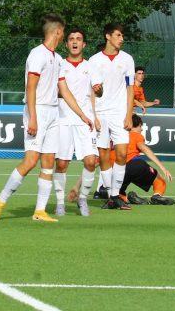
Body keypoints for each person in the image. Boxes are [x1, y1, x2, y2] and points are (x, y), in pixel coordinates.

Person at [0, 14, 93, 223]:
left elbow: (64, 89)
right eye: (64, 32)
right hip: (37, 111)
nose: (65, 36)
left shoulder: (57, 59)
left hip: (53, 112)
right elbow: (31, 87)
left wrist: (82, 114)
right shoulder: (37, 54)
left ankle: (40, 210)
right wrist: (33, 118)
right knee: (30, 162)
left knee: (48, 164)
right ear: (57, 32)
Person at [53, 28, 102, 217]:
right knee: (62, 164)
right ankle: (59, 204)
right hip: (63, 119)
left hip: (85, 121)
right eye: (71, 39)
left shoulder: (91, 67)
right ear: (66, 44)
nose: (75, 42)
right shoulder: (59, 65)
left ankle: (82, 198)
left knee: (91, 162)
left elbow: (99, 92)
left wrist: (98, 90)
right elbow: (53, 90)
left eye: (79, 39)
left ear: (84, 44)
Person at [88, 23, 136, 210]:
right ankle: (111, 196)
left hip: (119, 114)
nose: (121, 38)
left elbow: (130, 88)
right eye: (118, 35)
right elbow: (91, 90)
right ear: (107, 36)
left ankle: (115, 194)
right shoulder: (94, 60)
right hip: (100, 113)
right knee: (104, 155)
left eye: (122, 35)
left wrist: (128, 114)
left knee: (122, 153)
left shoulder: (127, 59)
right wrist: (94, 116)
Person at [113, 115, 175, 206]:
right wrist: (163, 168)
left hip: (117, 169)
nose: (142, 129)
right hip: (135, 165)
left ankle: (128, 199)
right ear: (136, 126)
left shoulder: (117, 136)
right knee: (160, 180)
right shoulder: (136, 135)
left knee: (117, 194)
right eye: (141, 126)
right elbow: (144, 148)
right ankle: (156, 196)